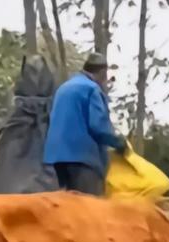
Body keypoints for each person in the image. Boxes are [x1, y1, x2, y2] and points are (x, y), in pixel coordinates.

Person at [43, 54, 127, 197]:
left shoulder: (64, 88)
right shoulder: (92, 89)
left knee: (67, 206)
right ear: (102, 73)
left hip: (56, 158)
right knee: (89, 208)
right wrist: (119, 143)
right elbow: (98, 127)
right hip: (82, 157)